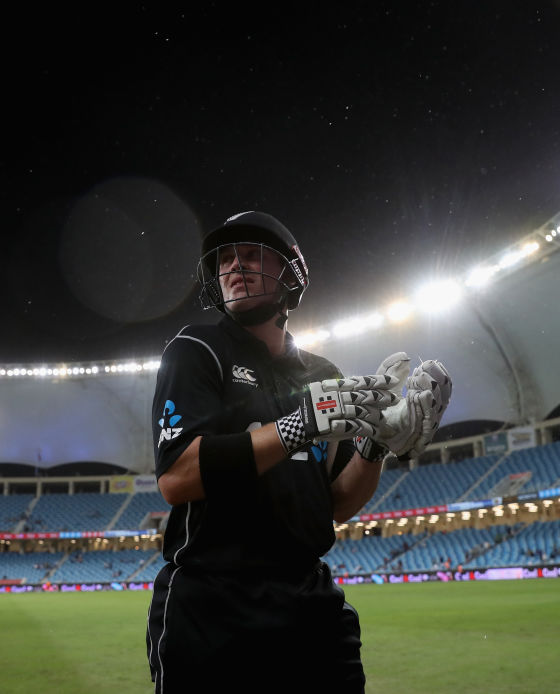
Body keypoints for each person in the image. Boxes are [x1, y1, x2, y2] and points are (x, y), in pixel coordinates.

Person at [145, 210, 451, 693]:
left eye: (250, 255)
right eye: (225, 258)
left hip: (310, 601)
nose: (233, 267)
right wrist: (298, 424)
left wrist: (374, 447)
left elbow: (339, 505)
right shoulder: (196, 349)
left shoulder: (323, 372)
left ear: (290, 272)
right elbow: (177, 478)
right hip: (213, 600)